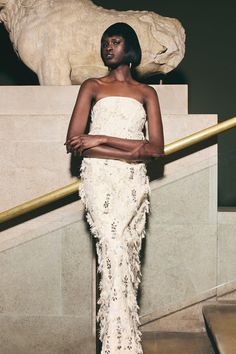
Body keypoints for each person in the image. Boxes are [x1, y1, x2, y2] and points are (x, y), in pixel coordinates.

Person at [65, 22, 164, 354]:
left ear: (129, 48)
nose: (108, 47)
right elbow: (75, 143)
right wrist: (130, 150)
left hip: (133, 183)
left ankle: (118, 342)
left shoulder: (147, 93)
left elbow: (155, 149)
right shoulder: (91, 86)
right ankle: (119, 344)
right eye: (105, 42)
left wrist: (102, 137)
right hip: (99, 179)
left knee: (125, 254)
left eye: (116, 42)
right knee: (113, 250)